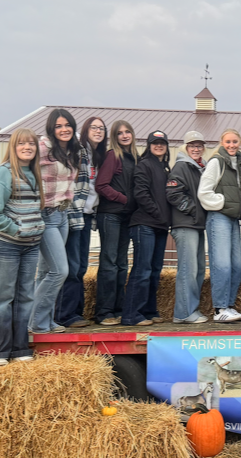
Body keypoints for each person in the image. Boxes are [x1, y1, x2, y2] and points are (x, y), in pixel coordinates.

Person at [0, 129, 45, 366]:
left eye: (32, 144)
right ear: (13, 147)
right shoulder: (2, 173)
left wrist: (36, 228)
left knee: (25, 297)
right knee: (4, 297)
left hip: (30, 246)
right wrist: (16, 230)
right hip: (5, 244)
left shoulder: (34, 174)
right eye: (22, 143)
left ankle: (19, 348)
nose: (27, 147)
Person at [30, 109, 80, 334]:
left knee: (45, 272)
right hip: (46, 214)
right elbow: (21, 169)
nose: (64, 129)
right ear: (51, 128)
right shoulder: (42, 147)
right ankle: (35, 322)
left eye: (67, 125)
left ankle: (46, 321)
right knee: (60, 271)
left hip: (62, 214)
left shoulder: (70, 150)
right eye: (59, 126)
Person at [54, 116, 107, 328]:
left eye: (102, 128)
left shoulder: (98, 155)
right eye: (94, 127)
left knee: (81, 266)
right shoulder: (78, 149)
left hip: (87, 215)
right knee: (72, 265)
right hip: (73, 213)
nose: (98, 131)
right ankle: (64, 314)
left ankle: (76, 312)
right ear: (85, 130)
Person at [121, 131, 172, 326]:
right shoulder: (144, 165)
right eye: (155, 143)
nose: (159, 146)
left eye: (162, 143)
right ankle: (131, 315)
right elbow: (141, 193)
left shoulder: (165, 167)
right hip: (144, 224)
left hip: (160, 226)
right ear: (149, 146)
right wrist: (158, 213)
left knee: (155, 270)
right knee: (142, 270)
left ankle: (149, 311)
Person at [198, 129, 241, 322]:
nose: (231, 145)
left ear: (240, 142)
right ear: (222, 142)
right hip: (219, 216)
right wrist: (222, 203)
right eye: (228, 142)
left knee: (236, 265)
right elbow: (203, 192)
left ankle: (229, 306)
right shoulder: (216, 162)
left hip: (233, 219)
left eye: (235, 141)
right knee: (222, 264)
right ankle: (219, 309)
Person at [95, 120, 139, 325]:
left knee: (122, 264)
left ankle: (118, 309)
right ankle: (104, 312)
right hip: (110, 215)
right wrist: (124, 199)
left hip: (126, 217)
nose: (124, 135)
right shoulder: (113, 156)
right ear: (114, 136)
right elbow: (101, 185)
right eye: (120, 133)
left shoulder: (135, 158)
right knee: (109, 263)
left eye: (127, 132)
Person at [167, 131, 208, 324]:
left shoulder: (201, 167)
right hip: (185, 224)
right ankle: (183, 312)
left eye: (199, 145)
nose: (196, 149)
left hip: (196, 224)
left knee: (198, 269)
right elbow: (173, 193)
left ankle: (192, 308)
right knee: (188, 269)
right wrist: (194, 211)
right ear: (186, 147)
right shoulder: (182, 166)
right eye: (192, 145)